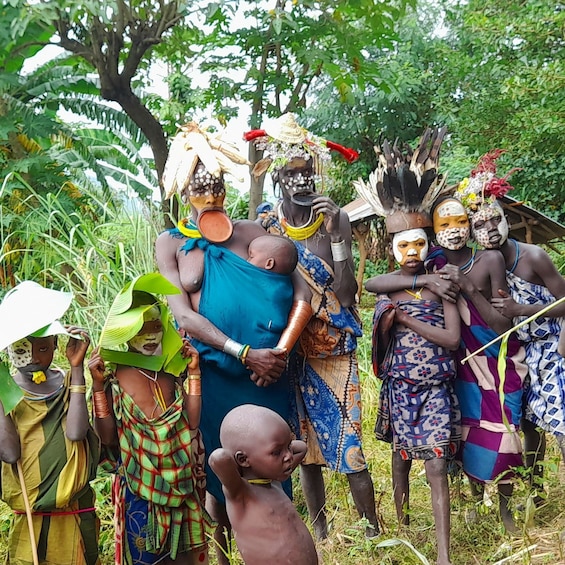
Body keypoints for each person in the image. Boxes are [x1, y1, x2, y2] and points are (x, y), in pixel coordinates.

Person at [155, 122, 310, 564]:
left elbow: (301, 292)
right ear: (185, 194)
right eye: (202, 193)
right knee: (217, 467)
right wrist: (241, 351)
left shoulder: (252, 231)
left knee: (273, 458)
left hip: (268, 375)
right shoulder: (170, 244)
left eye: (218, 190)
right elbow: (183, 314)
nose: (211, 201)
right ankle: (221, 555)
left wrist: (279, 350)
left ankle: (281, 548)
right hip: (215, 375)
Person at [246, 113, 379, 540]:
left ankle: (372, 533)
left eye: (307, 174)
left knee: (352, 451)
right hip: (290, 352)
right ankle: (319, 534)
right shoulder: (267, 223)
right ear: (278, 180)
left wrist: (338, 236)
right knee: (303, 451)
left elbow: (346, 292)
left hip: (334, 352)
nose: (301, 183)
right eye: (291, 175)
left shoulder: (333, 220)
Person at [359, 129, 460, 565]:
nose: (413, 251)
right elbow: (370, 283)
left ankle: (442, 554)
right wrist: (414, 288)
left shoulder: (445, 286)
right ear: (392, 247)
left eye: (420, 243)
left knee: (436, 465)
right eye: (404, 245)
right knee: (401, 457)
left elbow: (453, 339)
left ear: (429, 242)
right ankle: (401, 528)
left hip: (437, 386)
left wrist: (407, 319)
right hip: (401, 387)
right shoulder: (397, 286)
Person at [458, 149, 565, 494]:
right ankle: (535, 488)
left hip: (550, 347)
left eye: (495, 220)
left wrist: (522, 310)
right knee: (529, 425)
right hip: (516, 353)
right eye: (480, 224)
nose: (489, 229)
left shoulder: (533, 257)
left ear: (507, 218)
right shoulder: (482, 265)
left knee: (560, 422)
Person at [88, 273, 214, 564]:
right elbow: (107, 438)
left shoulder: (169, 371)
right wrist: (97, 387)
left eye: (156, 327)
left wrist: (193, 372)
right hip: (141, 488)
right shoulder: (114, 376)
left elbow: (191, 424)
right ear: (126, 332)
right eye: (141, 328)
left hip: (182, 485)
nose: (150, 335)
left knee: (185, 558)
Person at [0, 281, 100, 565]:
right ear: (7, 347)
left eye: (42, 348)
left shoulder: (67, 382)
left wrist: (77, 368)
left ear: (56, 344)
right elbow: (9, 453)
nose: (32, 358)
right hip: (30, 514)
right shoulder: (6, 390)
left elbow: (76, 432)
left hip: (74, 510)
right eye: (21, 349)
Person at [209, 404, 318, 565]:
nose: (288, 456)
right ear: (243, 460)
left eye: (288, 447)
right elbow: (219, 458)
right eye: (276, 451)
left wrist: (281, 448)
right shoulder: (240, 494)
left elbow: (300, 448)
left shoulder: (274, 480)